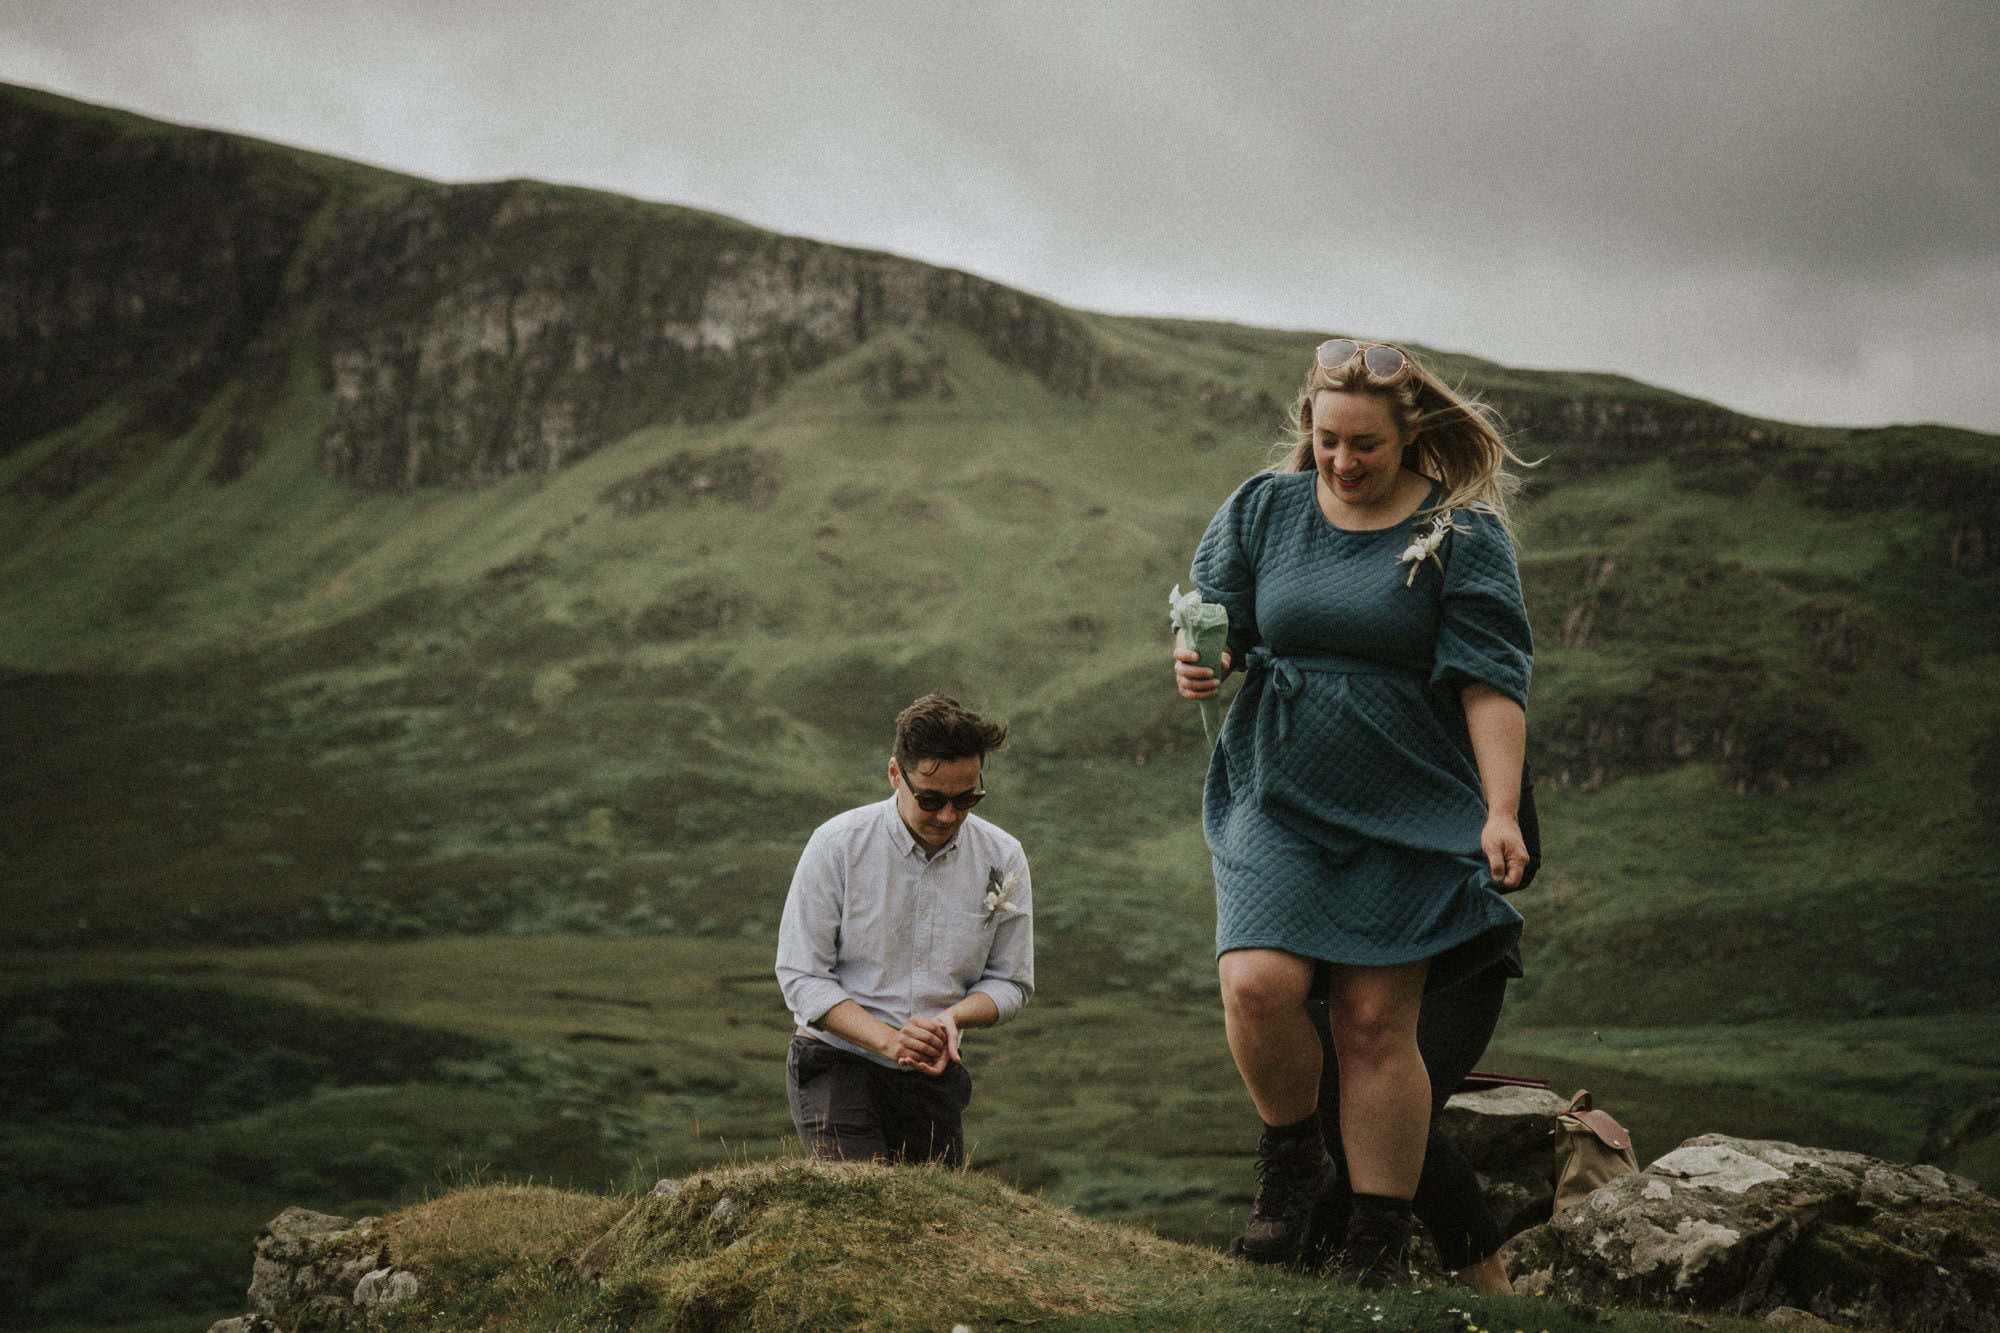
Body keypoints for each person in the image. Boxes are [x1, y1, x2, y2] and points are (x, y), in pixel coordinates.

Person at [1173, 337, 1534, 1287]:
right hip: (1278, 789)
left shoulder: (1463, 534)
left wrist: (1500, 810)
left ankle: (1376, 1239)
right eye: (1326, 439)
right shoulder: (1263, 507)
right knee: (1256, 982)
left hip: (1410, 801)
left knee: (1375, 1023)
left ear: (1410, 433)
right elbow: (1215, 625)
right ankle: (1292, 1160)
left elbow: (1491, 682)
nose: (1340, 460)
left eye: (1363, 443)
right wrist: (1197, 660)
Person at [775, 694, 1033, 1166]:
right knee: (859, 1209)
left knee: (933, 1228)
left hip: (935, 1073)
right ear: (896, 775)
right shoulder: (836, 845)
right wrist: (889, 1040)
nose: (948, 816)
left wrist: (952, 1019)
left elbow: (1011, 981)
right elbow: (801, 976)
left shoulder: (1003, 856)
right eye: (931, 799)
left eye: (966, 799)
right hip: (837, 1060)